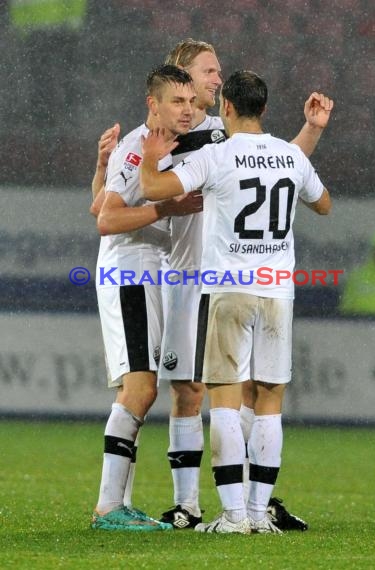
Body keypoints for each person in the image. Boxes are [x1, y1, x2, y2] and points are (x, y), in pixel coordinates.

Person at [91, 38, 334, 532]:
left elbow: (281, 162)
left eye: (217, 74)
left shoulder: (218, 135)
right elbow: (104, 214)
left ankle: (237, 503)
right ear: (175, 80)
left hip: (195, 277)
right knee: (152, 387)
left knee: (198, 389)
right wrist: (140, 191)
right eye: (205, 72)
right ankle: (119, 506)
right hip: (141, 271)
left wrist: (309, 130)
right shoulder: (143, 143)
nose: (215, 79)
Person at [90, 64, 202, 532]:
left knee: (136, 389)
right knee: (142, 388)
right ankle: (109, 508)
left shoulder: (156, 147)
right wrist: (165, 207)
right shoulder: (140, 148)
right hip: (130, 274)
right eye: (177, 101)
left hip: (147, 275)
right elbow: (107, 221)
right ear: (152, 104)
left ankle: (118, 503)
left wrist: (100, 167)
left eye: (192, 101)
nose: (188, 109)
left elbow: (99, 203)